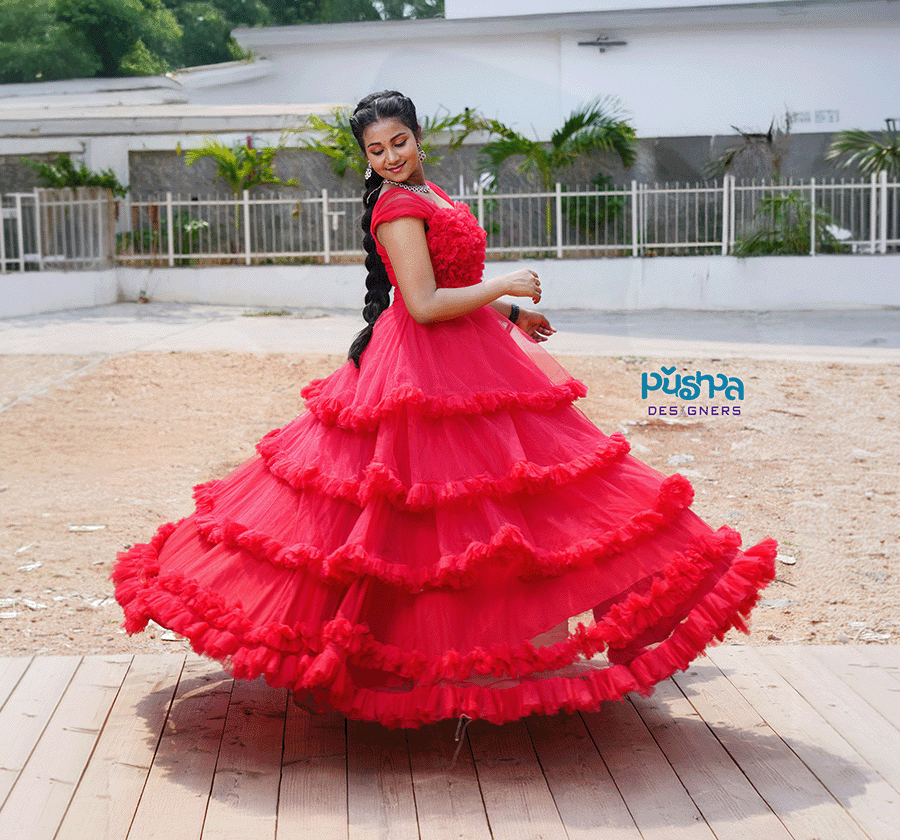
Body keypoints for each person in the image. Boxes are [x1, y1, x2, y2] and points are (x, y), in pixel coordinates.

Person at [112, 90, 777, 729]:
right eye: (375, 150)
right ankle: (434, 653)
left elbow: (447, 283)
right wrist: (504, 283)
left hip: (473, 356)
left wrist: (510, 312)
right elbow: (425, 304)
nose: (389, 157)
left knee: (516, 502)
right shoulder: (397, 206)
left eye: (398, 142)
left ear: (418, 136)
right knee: (414, 519)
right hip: (420, 368)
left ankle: (516, 647)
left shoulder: (430, 193)